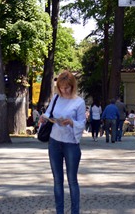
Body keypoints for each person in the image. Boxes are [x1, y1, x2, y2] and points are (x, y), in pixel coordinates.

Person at [38, 70, 86, 214]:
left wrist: (71, 122)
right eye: (61, 88)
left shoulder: (79, 102)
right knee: (57, 180)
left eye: (67, 88)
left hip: (70, 143)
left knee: (72, 180)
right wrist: (44, 117)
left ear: (72, 86)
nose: (64, 91)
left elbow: (82, 123)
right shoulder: (56, 98)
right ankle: (60, 211)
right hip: (54, 142)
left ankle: (75, 211)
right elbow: (49, 113)